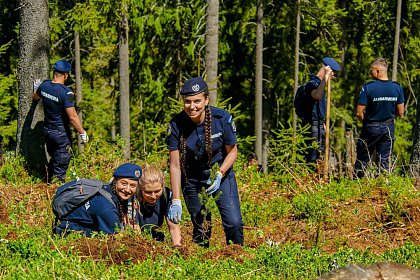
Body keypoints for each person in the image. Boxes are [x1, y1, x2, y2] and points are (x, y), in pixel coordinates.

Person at [166, 76, 243, 247]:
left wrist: (220, 173)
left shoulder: (222, 119)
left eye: (197, 101)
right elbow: (175, 165)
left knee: (234, 222)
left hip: (220, 175)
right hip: (191, 179)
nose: (192, 106)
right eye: (187, 101)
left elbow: (233, 152)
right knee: (202, 226)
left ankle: (237, 256)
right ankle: (201, 262)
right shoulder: (176, 125)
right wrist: (176, 200)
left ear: (206, 100)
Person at [32, 60, 88, 183]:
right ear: (65, 75)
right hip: (60, 133)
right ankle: (55, 188)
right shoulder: (66, 92)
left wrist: (36, 88)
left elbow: (35, 97)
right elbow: (72, 117)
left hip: (47, 131)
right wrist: (82, 132)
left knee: (55, 158)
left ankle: (47, 182)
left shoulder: (44, 85)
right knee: (61, 162)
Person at [53, 162, 142, 237]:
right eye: (124, 183)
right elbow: (115, 238)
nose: (127, 189)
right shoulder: (106, 208)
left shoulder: (108, 190)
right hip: (70, 232)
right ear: (115, 181)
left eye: (133, 186)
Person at [354, 58, 404, 177]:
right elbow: (401, 112)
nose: (370, 72)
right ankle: (382, 185)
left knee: (363, 157)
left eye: (371, 70)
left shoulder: (368, 87)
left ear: (378, 71)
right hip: (388, 127)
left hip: (371, 126)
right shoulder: (397, 87)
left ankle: (357, 184)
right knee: (384, 160)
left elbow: (359, 112)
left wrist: (365, 123)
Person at [299, 57, 340, 164]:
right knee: (313, 156)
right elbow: (316, 95)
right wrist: (325, 78)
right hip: (312, 126)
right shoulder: (312, 84)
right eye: (333, 73)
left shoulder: (319, 84)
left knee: (320, 154)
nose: (333, 76)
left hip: (319, 125)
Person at [131, 165, 181, 246]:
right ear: (140, 188)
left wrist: (177, 246)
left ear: (162, 186)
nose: (153, 196)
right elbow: (135, 229)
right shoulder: (133, 198)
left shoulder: (166, 196)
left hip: (154, 235)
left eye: (157, 191)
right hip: (136, 235)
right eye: (148, 192)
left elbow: (174, 227)